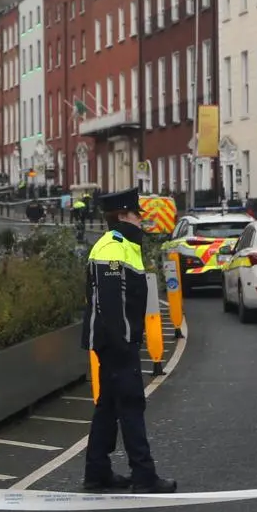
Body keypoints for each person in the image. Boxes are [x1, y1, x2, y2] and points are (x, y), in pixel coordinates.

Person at [82, 190, 176, 494]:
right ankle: (144, 476)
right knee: (132, 404)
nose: (141, 218)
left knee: (108, 405)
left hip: (113, 339)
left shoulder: (123, 245)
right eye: (136, 214)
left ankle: (97, 473)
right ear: (122, 216)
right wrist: (125, 343)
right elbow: (111, 303)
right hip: (115, 341)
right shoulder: (113, 247)